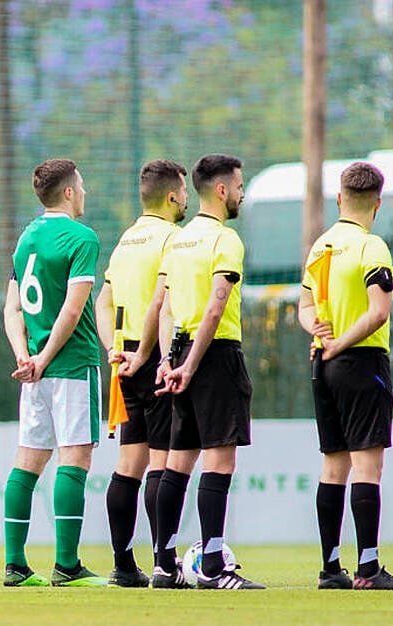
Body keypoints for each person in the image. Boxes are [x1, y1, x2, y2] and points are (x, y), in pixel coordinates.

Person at [298, 162, 393, 591]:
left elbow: (304, 308)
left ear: (338, 199)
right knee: (368, 465)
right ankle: (368, 569)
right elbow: (378, 312)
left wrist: (320, 334)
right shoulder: (372, 248)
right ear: (378, 203)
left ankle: (331, 569)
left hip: (322, 366)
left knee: (334, 465)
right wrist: (341, 343)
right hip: (361, 361)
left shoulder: (321, 247)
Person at [153, 154, 263, 590]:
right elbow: (217, 304)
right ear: (221, 190)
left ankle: (164, 566)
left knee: (178, 464)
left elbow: (163, 307)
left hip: (179, 349)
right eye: (239, 186)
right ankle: (214, 566)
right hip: (213, 356)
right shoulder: (225, 240)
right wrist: (193, 364)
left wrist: (169, 362)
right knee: (219, 461)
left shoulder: (176, 241)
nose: (241, 194)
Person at [1, 158, 105, 588]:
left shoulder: (26, 238)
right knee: (74, 459)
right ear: (67, 192)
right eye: (80, 186)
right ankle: (66, 565)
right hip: (72, 364)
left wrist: (25, 357)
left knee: (27, 463)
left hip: (34, 373)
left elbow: (12, 308)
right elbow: (75, 307)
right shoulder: (82, 237)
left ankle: (15, 565)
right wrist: (43, 359)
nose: (83, 193)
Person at [95, 160, 188, 587]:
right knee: (161, 463)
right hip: (154, 356)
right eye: (183, 192)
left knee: (128, 461)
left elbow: (103, 302)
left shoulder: (126, 241)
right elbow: (161, 302)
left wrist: (116, 350)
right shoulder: (174, 239)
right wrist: (151, 353)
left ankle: (121, 564)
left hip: (123, 357)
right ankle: (162, 564)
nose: (186, 199)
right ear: (172, 196)